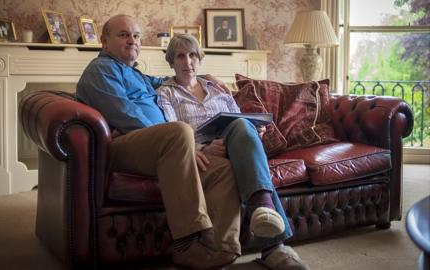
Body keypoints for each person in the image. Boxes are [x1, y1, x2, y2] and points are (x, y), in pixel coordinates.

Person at [76, 14, 241, 270]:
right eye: (123, 35)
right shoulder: (100, 70)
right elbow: (124, 114)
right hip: (125, 147)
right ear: (104, 41)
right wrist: (181, 142)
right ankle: (187, 244)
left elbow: (169, 80)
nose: (132, 40)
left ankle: (221, 245)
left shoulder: (137, 75)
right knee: (179, 131)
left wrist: (205, 75)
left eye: (136, 35)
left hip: (164, 147)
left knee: (222, 170)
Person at [156, 34, 310, 270]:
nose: (188, 62)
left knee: (241, 125)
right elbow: (173, 131)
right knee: (240, 132)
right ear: (171, 62)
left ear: (200, 59)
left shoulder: (218, 90)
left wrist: (252, 132)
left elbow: (239, 119)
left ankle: (266, 217)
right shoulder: (166, 93)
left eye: (193, 55)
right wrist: (203, 147)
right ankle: (273, 242)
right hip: (203, 153)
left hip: (235, 145)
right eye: (180, 56)